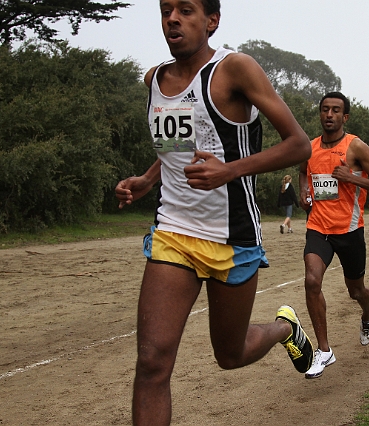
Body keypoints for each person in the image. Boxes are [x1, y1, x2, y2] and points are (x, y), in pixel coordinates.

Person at [114, 1, 314, 424]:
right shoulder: (155, 80)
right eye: (166, 10)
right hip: (174, 231)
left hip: (233, 236)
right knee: (152, 362)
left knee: (230, 353)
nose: (172, 18)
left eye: (185, 9)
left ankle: (284, 329)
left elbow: (299, 144)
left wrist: (231, 171)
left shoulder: (235, 69)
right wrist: (150, 180)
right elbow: (179, 142)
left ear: (211, 21)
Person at [299, 92, 369, 379]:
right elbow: (303, 171)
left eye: (335, 110)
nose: (329, 115)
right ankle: (324, 350)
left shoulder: (356, 147)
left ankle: (367, 313)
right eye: (325, 110)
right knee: (312, 280)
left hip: (350, 231)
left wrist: (352, 178)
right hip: (318, 227)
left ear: (345, 117)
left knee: (356, 291)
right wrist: (303, 191)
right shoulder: (308, 147)